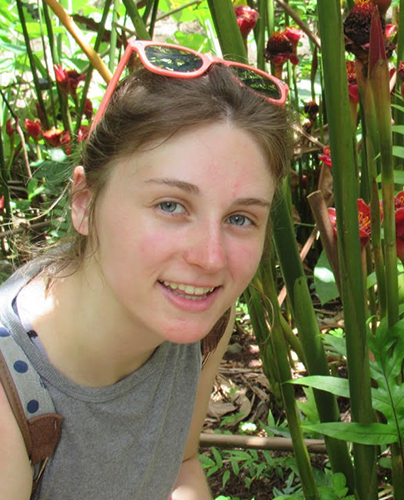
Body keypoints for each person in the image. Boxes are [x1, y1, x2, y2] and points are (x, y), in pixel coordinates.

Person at [0, 41, 291, 500]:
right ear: (84, 201)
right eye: (171, 205)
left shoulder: (203, 316)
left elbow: (180, 465)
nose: (211, 259)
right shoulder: (10, 397)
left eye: (240, 218)